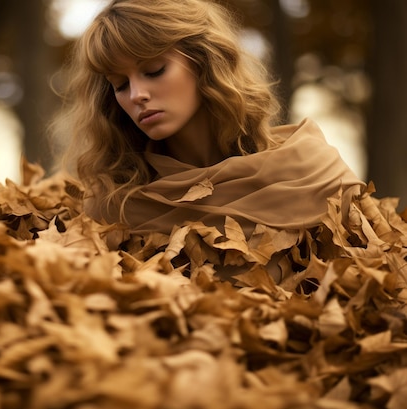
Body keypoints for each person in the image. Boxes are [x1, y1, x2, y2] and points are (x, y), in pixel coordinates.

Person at [52, 0, 364, 237]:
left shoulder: (315, 174)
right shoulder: (115, 205)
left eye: (154, 71)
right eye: (120, 84)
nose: (136, 95)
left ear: (204, 61)